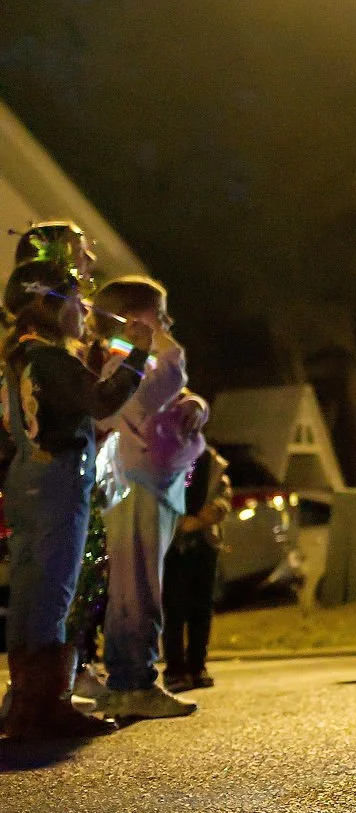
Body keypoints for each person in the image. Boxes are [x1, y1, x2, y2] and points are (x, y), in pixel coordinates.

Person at [1, 261, 152, 740]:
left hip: (26, 479)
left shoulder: (23, 355)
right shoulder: (49, 358)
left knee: (30, 592)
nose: (83, 308)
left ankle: (26, 700)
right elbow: (101, 403)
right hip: (58, 480)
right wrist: (137, 356)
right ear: (48, 304)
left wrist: (98, 353)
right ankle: (44, 707)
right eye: (75, 299)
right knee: (53, 592)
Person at [90, 277, 203, 719]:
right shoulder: (121, 361)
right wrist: (166, 347)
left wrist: (198, 405)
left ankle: (128, 677)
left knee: (136, 582)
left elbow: (172, 398)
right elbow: (155, 392)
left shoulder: (135, 362)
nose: (168, 322)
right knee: (137, 585)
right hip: (136, 484)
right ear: (135, 318)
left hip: (146, 482)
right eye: (161, 312)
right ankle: (134, 680)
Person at [161, 420, 228, 692]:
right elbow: (159, 498)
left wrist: (215, 510)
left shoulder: (208, 458)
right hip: (174, 544)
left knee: (201, 607)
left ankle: (197, 664)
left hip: (203, 542)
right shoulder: (165, 458)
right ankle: (175, 668)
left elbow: (223, 491)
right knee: (173, 609)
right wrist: (181, 523)